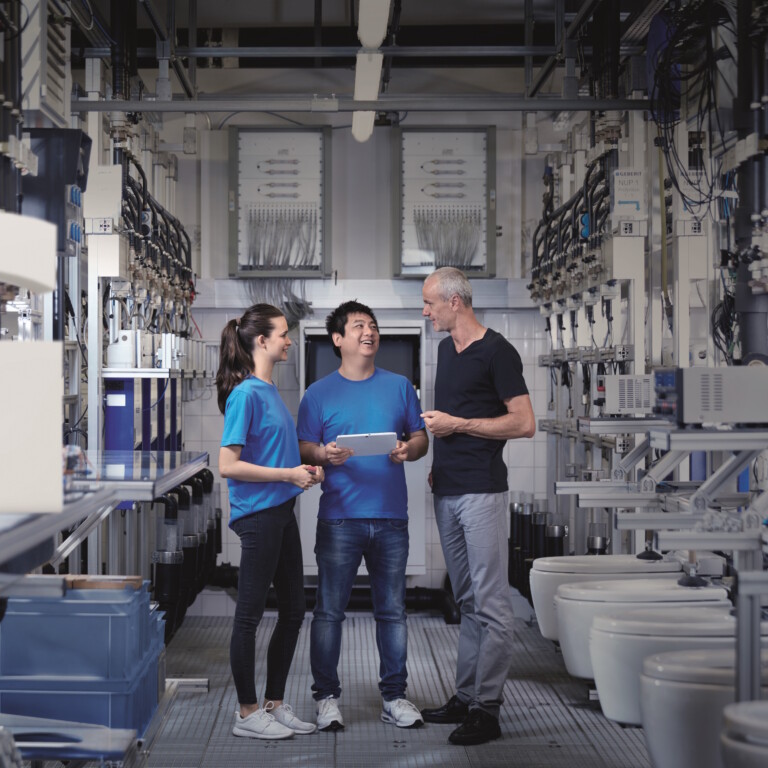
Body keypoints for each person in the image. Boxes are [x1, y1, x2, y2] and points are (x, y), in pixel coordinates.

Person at [297, 300, 429, 731]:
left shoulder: (400, 387)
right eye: (358, 326)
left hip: (391, 517)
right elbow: (304, 446)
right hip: (339, 518)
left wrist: (409, 449)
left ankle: (394, 697)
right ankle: (326, 699)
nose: (368, 332)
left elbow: (421, 438)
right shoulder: (317, 394)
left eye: (372, 325)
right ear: (338, 339)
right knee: (329, 612)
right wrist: (323, 453)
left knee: (392, 612)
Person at [419, 267, 536, 746]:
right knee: (465, 600)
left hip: (482, 492)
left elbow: (524, 423)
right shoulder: (446, 350)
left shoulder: (498, 351)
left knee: (492, 605)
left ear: (454, 302)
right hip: (447, 490)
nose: (425, 312)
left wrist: (458, 425)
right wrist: (439, 461)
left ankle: (487, 709)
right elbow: (450, 421)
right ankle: (465, 696)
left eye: (429, 303)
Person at [217, 303, 323, 740]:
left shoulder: (269, 390)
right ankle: (246, 712)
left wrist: (306, 471)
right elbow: (228, 465)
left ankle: (274, 704)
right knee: (249, 616)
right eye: (282, 333)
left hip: (281, 510)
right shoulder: (245, 394)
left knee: (294, 610)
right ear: (262, 341)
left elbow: (275, 454)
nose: (289, 340)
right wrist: (287, 475)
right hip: (258, 515)